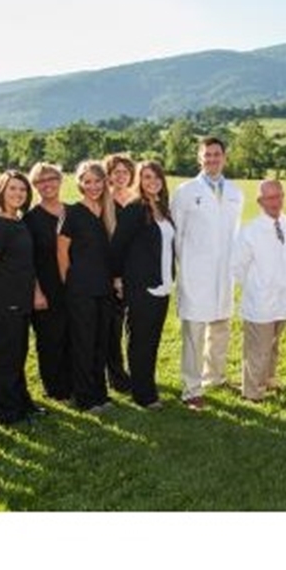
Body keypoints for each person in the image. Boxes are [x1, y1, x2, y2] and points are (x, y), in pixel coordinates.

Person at [171, 136, 244, 411]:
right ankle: (191, 389)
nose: (212, 159)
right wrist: (187, 265)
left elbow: (234, 232)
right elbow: (177, 235)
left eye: (217, 154)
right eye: (207, 155)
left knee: (220, 327)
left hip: (224, 271)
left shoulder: (235, 192)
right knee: (194, 332)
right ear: (199, 158)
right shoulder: (186, 191)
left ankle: (215, 376)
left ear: (224, 158)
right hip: (196, 272)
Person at [0, 170, 41, 426]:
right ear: (1, 191)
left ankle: (22, 403)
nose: (18, 193)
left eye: (22, 189)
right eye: (12, 188)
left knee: (17, 356)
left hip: (20, 301)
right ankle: (7, 413)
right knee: (5, 360)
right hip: (2, 303)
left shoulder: (18, 221)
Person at [109, 160, 175, 409]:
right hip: (141, 286)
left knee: (152, 341)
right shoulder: (134, 208)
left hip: (163, 285)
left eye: (156, 177)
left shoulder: (162, 207)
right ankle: (144, 395)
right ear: (139, 180)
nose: (152, 181)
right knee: (140, 342)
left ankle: (147, 386)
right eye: (147, 177)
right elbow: (117, 246)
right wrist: (117, 278)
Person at [57, 159, 118, 415]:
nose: (93, 186)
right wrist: (69, 284)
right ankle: (84, 397)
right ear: (80, 184)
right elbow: (61, 252)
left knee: (101, 342)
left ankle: (99, 393)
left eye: (97, 181)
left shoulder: (108, 212)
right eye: (88, 181)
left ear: (105, 182)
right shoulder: (72, 212)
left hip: (104, 288)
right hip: (80, 289)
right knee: (84, 342)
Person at [232, 179, 286, 402]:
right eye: (269, 198)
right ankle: (252, 392)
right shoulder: (250, 230)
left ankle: (269, 380)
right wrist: (258, 286)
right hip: (260, 300)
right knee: (258, 349)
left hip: (283, 298)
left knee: (273, 345)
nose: (275, 202)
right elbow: (238, 267)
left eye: (278, 196)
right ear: (260, 201)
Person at [24, 162, 71, 401]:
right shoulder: (29, 219)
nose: (47, 184)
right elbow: (27, 261)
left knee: (72, 336)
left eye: (51, 178)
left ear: (60, 180)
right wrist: (36, 292)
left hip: (72, 286)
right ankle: (55, 388)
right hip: (45, 288)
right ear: (34, 186)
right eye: (40, 181)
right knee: (50, 339)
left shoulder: (73, 212)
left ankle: (73, 382)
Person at [102, 153, 136, 394]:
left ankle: (137, 370)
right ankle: (116, 375)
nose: (121, 176)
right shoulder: (104, 202)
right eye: (116, 172)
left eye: (125, 171)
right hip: (111, 270)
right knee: (113, 327)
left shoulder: (137, 200)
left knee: (135, 326)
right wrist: (116, 276)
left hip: (136, 271)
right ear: (109, 175)